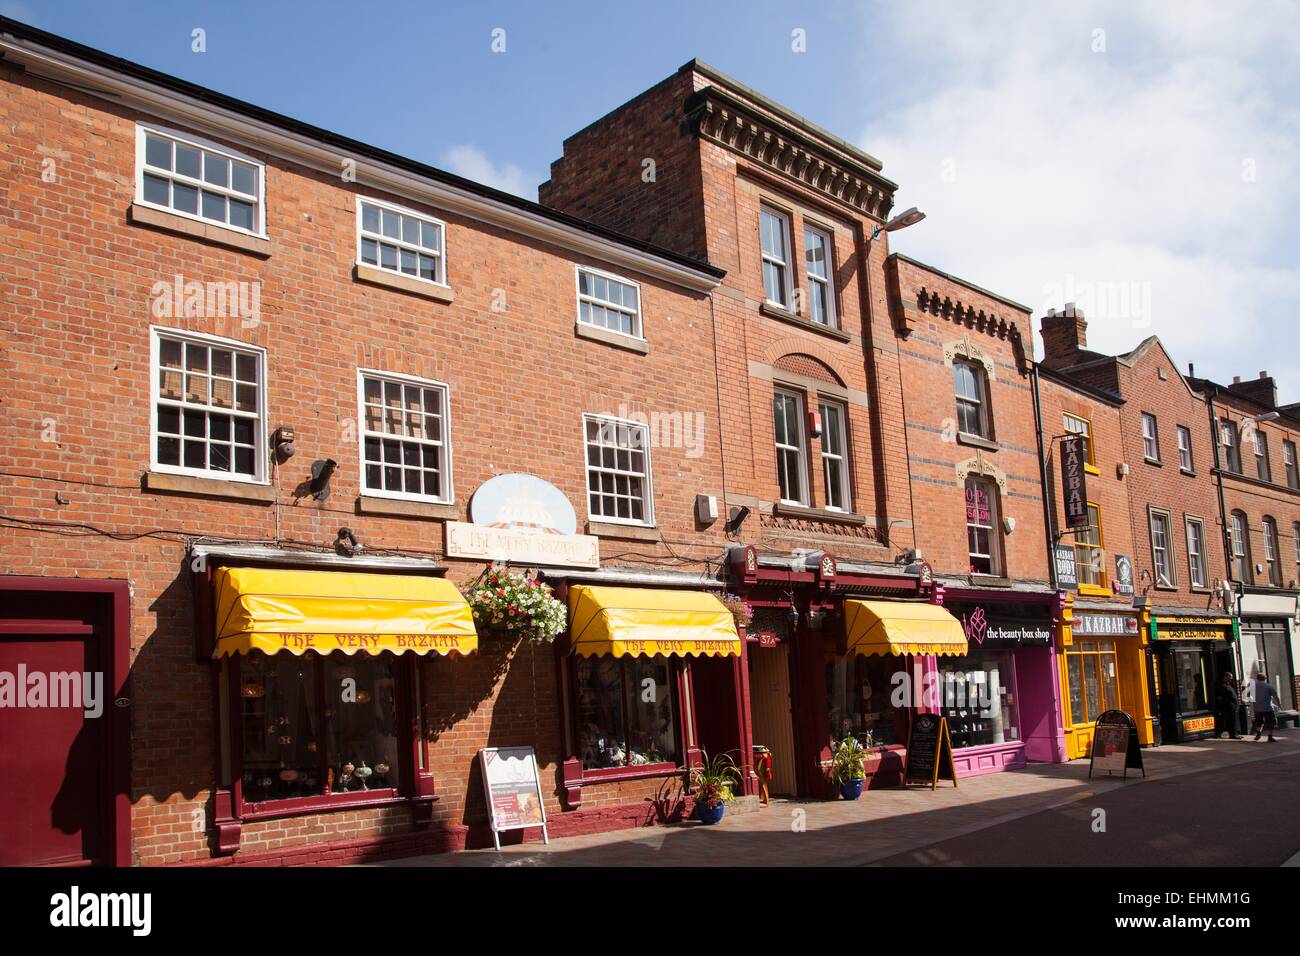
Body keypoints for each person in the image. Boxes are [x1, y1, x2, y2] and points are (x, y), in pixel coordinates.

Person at [1250, 673, 1280, 742]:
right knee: (1270, 722)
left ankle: (1258, 733)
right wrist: (1279, 704)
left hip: (1257, 708)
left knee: (1258, 722)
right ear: (1265, 678)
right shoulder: (1268, 686)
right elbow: (1275, 696)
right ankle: (1270, 736)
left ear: (1257, 678)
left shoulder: (1253, 687)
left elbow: (1249, 695)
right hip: (1267, 708)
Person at [1215, 672, 1241, 739]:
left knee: (1233, 721)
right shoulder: (1221, 685)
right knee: (1231, 721)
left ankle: (1235, 733)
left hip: (1233, 706)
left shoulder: (1228, 685)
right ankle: (1233, 734)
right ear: (1225, 677)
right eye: (1230, 677)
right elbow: (1221, 697)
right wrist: (1228, 704)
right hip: (1229, 706)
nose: (1231, 679)